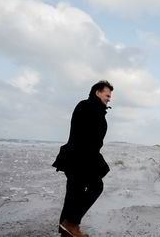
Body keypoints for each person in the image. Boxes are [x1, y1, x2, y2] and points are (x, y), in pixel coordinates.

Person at [52, 80, 113, 237]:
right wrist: (94, 160)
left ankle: (67, 231)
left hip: (79, 158)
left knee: (73, 195)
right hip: (78, 159)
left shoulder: (96, 109)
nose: (109, 98)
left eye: (110, 95)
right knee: (96, 186)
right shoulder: (86, 106)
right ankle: (71, 223)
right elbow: (85, 138)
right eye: (107, 94)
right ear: (97, 92)